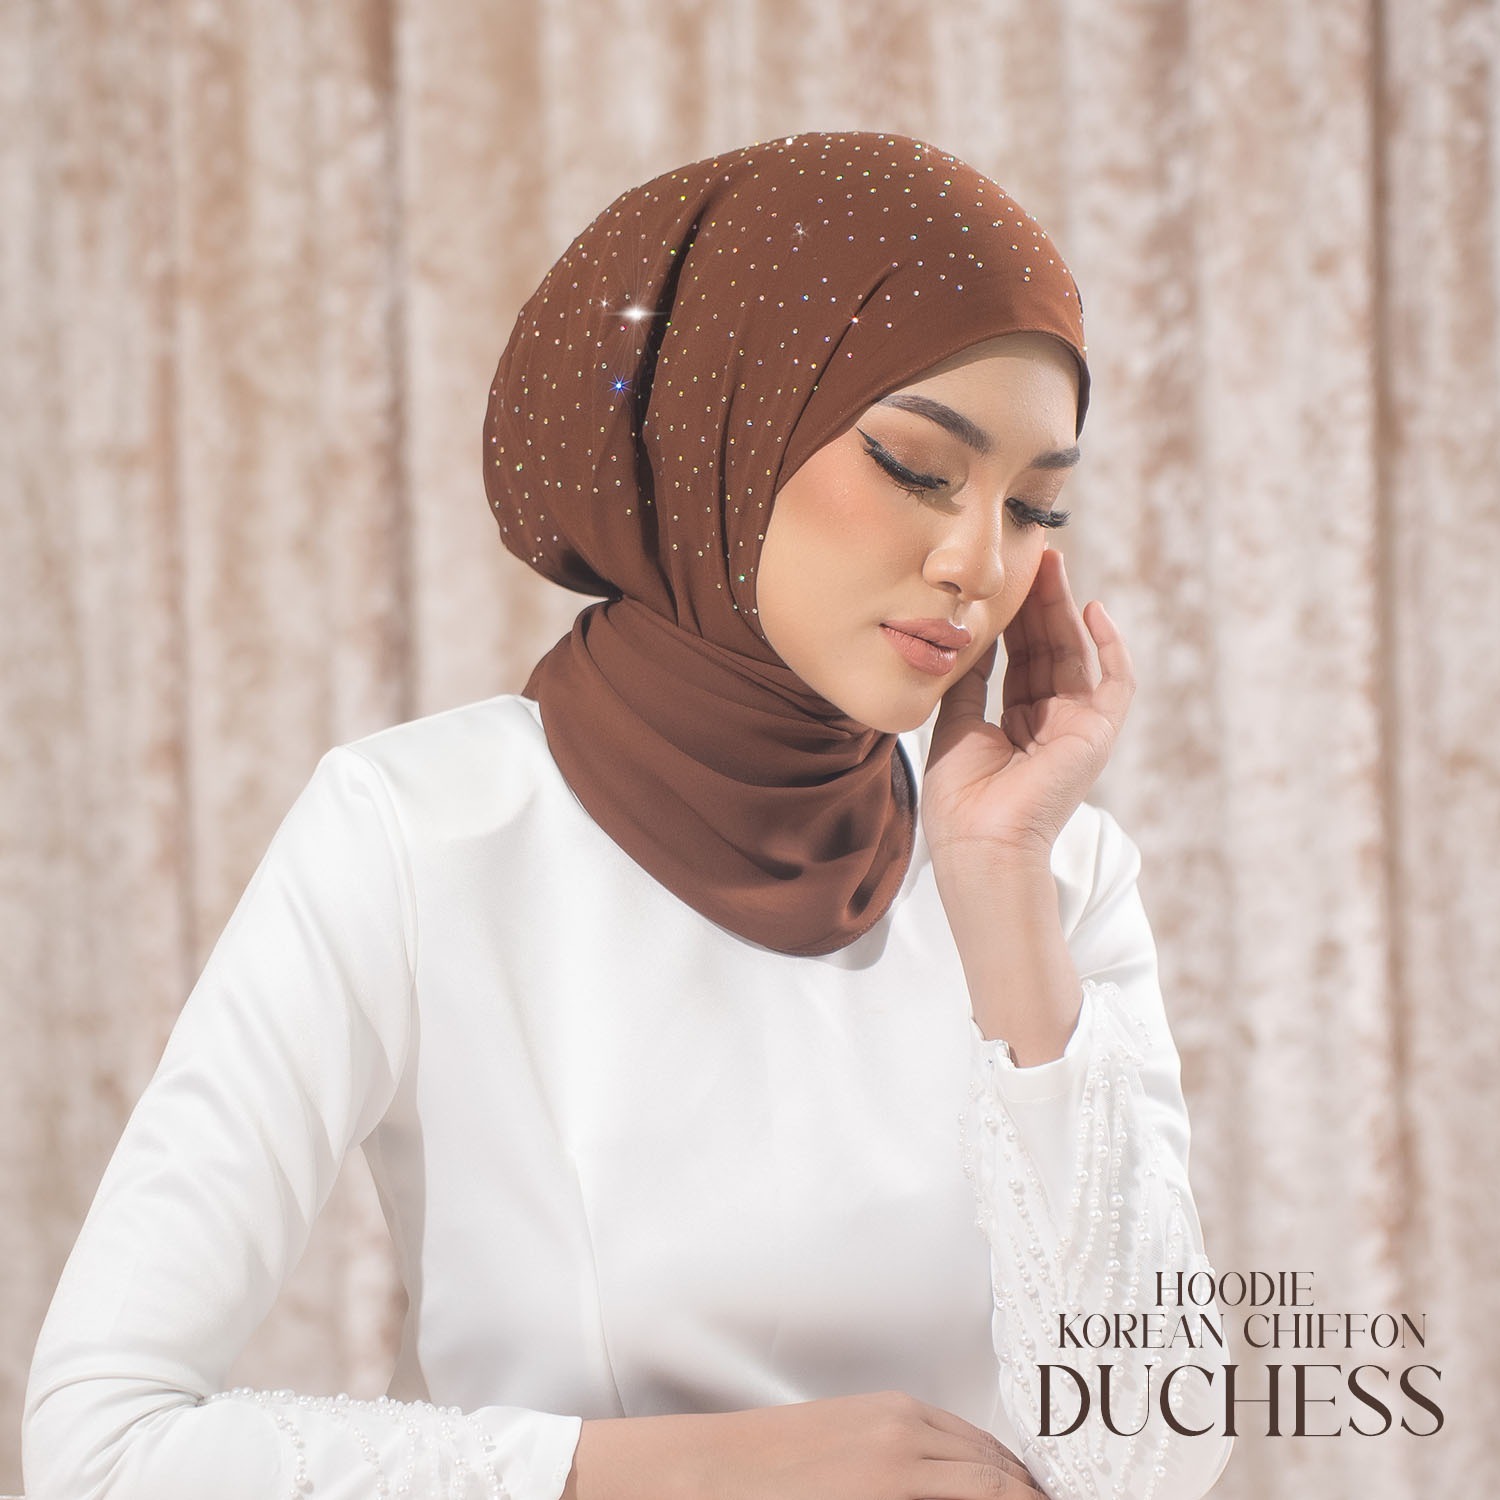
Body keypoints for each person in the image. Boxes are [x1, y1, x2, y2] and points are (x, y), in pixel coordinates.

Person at [24, 131, 1234, 1499]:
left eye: (1036, 506)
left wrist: (1000, 888)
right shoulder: (418, 835)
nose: (977, 561)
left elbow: (1152, 1458)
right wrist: (701, 1470)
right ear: (730, 427)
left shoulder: (1053, 873)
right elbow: (101, 1447)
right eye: (915, 466)